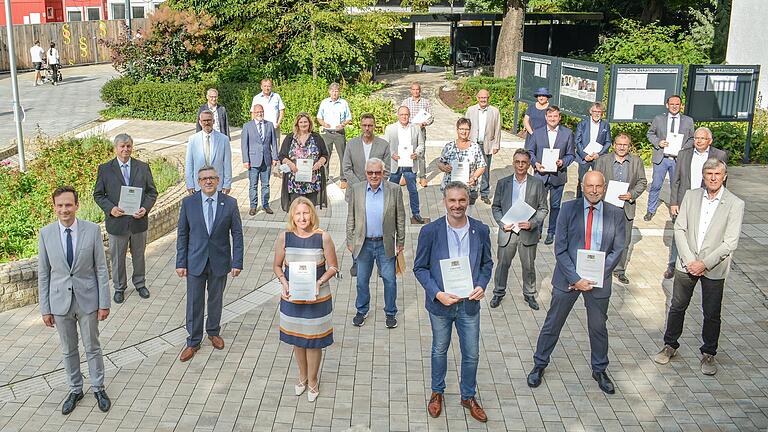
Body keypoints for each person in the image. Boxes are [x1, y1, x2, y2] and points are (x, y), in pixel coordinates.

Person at [527, 171, 626, 395]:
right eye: (589, 186)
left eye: (598, 186)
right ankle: (539, 363)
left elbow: (618, 249)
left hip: (598, 280)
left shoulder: (615, 213)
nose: (593, 190)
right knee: (553, 323)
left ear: (604, 187)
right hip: (568, 278)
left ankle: (599, 369)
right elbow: (560, 248)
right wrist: (576, 279)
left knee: (598, 327)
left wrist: (596, 276)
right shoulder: (568, 209)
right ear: (582, 186)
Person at [654, 158, 744, 376]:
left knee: (712, 312)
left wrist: (704, 263)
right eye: (709, 174)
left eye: (717, 174)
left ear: (724, 176)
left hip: (714, 267)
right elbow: (680, 228)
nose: (713, 178)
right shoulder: (691, 196)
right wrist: (689, 260)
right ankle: (670, 345)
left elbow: (730, 242)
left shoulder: (735, 203)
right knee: (677, 306)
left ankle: (709, 352)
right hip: (687, 264)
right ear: (704, 176)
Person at [414, 181, 493, 423]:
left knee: (471, 354)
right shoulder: (430, 231)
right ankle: (437, 392)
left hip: (469, 305)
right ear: (444, 202)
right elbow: (420, 268)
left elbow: (487, 264)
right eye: (452, 201)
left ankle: (468, 396)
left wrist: (481, 285)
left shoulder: (480, 230)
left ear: (468, 201)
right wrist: (437, 293)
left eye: (461, 200)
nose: (457, 205)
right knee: (439, 350)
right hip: (441, 305)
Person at [38, 186, 112, 414]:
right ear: (54, 207)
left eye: (68, 205)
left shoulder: (91, 230)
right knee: (69, 349)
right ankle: (75, 389)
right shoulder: (46, 234)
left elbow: (101, 268)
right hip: (59, 303)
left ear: (77, 206)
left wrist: (104, 303)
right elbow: (44, 273)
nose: (64, 210)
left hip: (88, 300)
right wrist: (45, 308)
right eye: (59, 205)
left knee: (92, 346)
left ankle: (98, 387)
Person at [175, 166, 244, 362]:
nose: (208, 181)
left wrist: (237, 261)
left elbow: (237, 234)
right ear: (198, 182)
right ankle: (193, 341)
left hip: (219, 261)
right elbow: (182, 234)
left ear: (218, 180)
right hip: (195, 261)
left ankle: (213, 332)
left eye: (212, 178)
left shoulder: (230, 203)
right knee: (194, 302)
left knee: (215, 300)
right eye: (204, 178)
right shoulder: (189, 203)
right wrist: (180, 262)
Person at [274, 197, 338, 402]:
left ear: (312, 214)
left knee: (314, 341)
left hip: (317, 298)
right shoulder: (284, 237)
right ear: (292, 215)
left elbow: (333, 267)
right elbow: (277, 265)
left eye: (306, 213)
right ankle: (301, 376)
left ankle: (312, 380)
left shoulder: (323, 237)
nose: (302, 217)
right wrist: (284, 282)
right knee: (298, 340)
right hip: (293, 297)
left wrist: (319, 282)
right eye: (298, 213)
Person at [93, 134, 158, 304]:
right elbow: (98, 195)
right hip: (117, 222)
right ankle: (119, 287)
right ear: (116, 148)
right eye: (122, 146)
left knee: (139, 256)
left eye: (128, 146)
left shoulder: (142, 167)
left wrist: (145, 208)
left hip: (138, 221)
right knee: (117, 258)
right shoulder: (105, 169)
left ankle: (140, 283)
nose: (125, 149)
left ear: (132, 147)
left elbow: (152, 192)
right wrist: (111, 209)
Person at [346, 158, 406, 328]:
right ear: (366, 173)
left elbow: (400, 217)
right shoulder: (357, 189)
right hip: (363, 244)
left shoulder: (393, 190)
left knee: (390, 280)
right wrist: (350, 240)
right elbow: (351, 216)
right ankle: (362, 310)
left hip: (385, 243)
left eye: (377, 172)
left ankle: (390, 313)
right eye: (370, 172)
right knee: (362, 281)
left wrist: (400, 241)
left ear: (383, 173)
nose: (374, 176)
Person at [664, 127, 728, 279]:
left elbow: (723, 181)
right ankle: (673, 264)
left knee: (703, 233)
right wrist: (674, 202)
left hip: (707, 201)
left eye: (702, 138)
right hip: (684, 202)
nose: (698, 141)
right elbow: (676, 180)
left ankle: (701, 263)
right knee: (679, 234)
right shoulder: (683, 154)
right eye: (696, 138)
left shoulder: (719, 155)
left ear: (710, 141)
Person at [490, 149, 548, 310]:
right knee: (502, 265)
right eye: (517, 162)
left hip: (527, 232)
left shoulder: (537, 184)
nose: (520, 165)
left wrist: (533, 223)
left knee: (528, 266)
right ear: (513, 163)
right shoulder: (503, 183)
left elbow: (543, 208)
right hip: (508, 231)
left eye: (524, 162)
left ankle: (529, 294)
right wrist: (502, 223)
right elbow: (495, 207)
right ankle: (498, 293)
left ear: (529, 164)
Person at [593, 134, 648, 284]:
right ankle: (600, 268)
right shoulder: (602, 160)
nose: (622, 147)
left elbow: (642, 181)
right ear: (614, 145)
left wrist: (631, 194)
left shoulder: (636, 162)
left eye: (625, 145)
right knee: (602, 238)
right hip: (605, 206)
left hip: (626, 207)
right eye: (619, 144)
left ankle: (619, 270)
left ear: (629, 146)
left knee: (624, 241)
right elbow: (594, 178)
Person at [526, 106, 576, 244]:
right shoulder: (537, 133)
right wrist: (535, 163)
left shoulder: (567, 133)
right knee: (539, 205)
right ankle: (537, 230)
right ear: (546, 117)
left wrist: (563, 162)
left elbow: (571, 154)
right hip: (540, 175)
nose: (552, 119)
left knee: (555, 206)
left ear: (559, 117)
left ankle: (551, 232)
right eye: (550, 116)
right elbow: (530, 151)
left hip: (558, 176)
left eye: (555, 116)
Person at [644, 95, 695, 222]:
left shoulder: (688, 121)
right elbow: (650, 134)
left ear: (681, 106)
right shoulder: (659, 119)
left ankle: (675, 212)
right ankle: (650, 210)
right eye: (672, 104)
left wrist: (683, 148)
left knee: (676, 186)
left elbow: (692, 138)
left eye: (677, 104)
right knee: (656, 185)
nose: (674, 106)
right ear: (667, 105)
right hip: (662, 157)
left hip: (678, 159)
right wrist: (658, 142)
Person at [279, 112, 330, 212]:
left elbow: (325, 155)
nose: (303, 124)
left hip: (312, 181)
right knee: (296, 209)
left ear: (309, 123)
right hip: (295, 182)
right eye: (301, 122)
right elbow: (282, 156)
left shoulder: (316, 138)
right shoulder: (290, 138)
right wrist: (290, 164)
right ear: (297, 124)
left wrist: (319, 163)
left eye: (305, 122)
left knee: (310, 210)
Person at [383, 106, 426, 224]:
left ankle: (416, 213)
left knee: (413, 190)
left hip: (410, 164)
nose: (404, 117)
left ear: (409, 115)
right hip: (395, 164)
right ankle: (389, 213)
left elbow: (421, 145)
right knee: (392, 190)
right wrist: (392, 154)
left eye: (406, 114)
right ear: (398, 115)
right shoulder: (390, 128)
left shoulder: (416, 128)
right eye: (402, 114)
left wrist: (416, 153)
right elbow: (385, 145)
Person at [437, 118, 486, 209]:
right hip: (450, 188)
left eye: (466, 129)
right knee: (450, 216)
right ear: (457, 130)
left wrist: (474, 177)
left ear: (470, 130)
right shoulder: (449, 146)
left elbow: (482, 166)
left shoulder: (475, 147)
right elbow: (440, 163)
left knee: (468, 218)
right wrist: (444, 167)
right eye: (461, 129)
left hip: (469, 189)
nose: (464, 131)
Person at [465, 89, 502, 205]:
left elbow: (498, 129)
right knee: (472, 169)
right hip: (473, 144)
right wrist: (465, 143)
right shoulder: (470, 110)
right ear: (477, 98)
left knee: (485, 170)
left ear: (488, 98)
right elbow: (465, 127)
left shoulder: (494, 111)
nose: (483, 100)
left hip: (487, 144)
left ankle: (484, 193)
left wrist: (496, 145)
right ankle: (472, 192)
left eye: (485, 98)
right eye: (481, 98)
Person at [241, 103, 278, 215]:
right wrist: (245, 160)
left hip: (266, 159)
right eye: (257, 112)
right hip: (253, 161)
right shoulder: (247, 126)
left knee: (266, 184)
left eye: (261, 111)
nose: (259, 114)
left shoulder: (269, 125)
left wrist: (275, 157)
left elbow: (274, 143)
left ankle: (266, 205)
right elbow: (244, 145)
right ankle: (253, 206)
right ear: (253, 113)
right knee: (253, 185)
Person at [343, 113, 391, 196]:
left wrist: (374, 185)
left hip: (376, 191)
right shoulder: (351, 144)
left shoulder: (384, 145)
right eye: (364, 125)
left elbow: (386, 170)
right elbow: (346, 169)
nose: (367, 128)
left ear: (374, 126)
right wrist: (360, 186)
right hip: (355, 191)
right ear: (360, 126)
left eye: (370, 125)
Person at [185, 110, 232, 194]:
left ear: (213, 121)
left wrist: (227, 184)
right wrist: (190, 184)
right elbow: (189, 164)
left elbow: (227, 164)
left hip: (217, 185)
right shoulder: (193, 140)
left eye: (209, 120)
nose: (206, 123)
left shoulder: (224, 139)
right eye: (204, 121)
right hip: (199, 185)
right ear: (200, 122)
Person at [316, 82, 352, 187]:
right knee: (325, 155)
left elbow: (348, 117)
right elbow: (319, 117)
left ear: (339, 92)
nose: (334, 93)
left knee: (343, 156)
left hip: (339, 133)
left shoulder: (343, 103)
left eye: (336, 91)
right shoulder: (324, 102)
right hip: (327, 133)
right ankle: (324, 177)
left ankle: (343, 178)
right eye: (332, 91)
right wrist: (323, 123)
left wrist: (343, 124)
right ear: (329, 92)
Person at [575, 102, 611, 198]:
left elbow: (608, 142)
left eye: (599, 112)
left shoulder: (605, 125)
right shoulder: (582, 124)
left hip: (598, 158)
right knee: (582, 181)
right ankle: (579, 202)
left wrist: (599, 154)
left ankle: (596, 202)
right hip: (584, 158)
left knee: (598, 181)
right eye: (594, 111)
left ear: (602, 113)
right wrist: (584, 155)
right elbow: (577, 141)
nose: (596, 114)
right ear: (590, 112)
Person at [401, 82, 434, 187]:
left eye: (417, 89)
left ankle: (423, 177)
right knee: (407, 152)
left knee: (420, 153)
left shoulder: (426, 102)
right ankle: (407, 176)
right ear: (410, 90)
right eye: (413, 89)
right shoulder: (406, 102)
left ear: (420, 90)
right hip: (408, 130)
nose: (415, 91)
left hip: (420, 130)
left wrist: (424, 123)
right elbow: (401, 114)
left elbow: (431, 117)